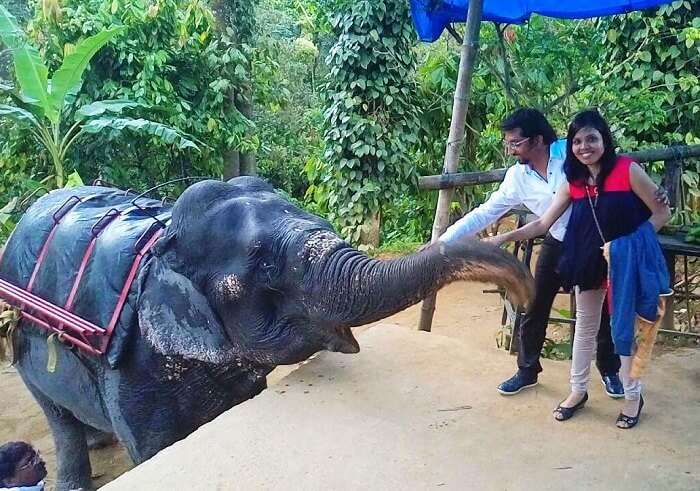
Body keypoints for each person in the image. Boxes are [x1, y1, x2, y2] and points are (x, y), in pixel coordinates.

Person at [487, 109, 671, 428]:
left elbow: (661, 213)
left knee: (622, 331)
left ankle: (632, 397)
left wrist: (626, 246)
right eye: (577, 141)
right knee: (585, 327)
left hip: (624, 263)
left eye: (591, 139)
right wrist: (504, 237)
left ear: (604, 140)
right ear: (570, 145)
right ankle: (577, 391)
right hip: (588, 260)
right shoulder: (574, 181)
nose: (584, 146)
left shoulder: (627, 170)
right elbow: (544, 222)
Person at [440, 108, 624, 397]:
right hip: (555, 238)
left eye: (515, 143)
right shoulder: (517, 178)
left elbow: (611, 167)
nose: (510, 149)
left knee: (600, 308)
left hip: (593, 242)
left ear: (537, 140)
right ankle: (527, 370)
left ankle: (609, 369)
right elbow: (486, 212)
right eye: (509, 143)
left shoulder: (571, 153)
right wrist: (445, 240)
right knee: (534, 302)